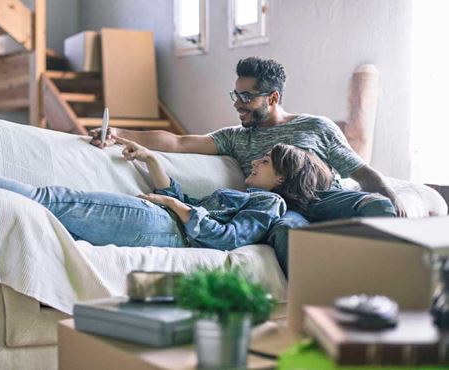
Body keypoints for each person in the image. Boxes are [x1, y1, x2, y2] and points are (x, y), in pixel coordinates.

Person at [89, 57, 404, 274]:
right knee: (286, 236)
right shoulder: (235, 138)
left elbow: (360, 171)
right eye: (235, 94)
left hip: (325, 196)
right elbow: (179, 142)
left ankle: (385, 281)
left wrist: (390, 193)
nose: (237, 103)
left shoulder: (315, 127)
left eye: (246, 96)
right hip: (283, 208)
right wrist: (118, 133)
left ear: (272, 97)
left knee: (378, 206)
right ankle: (314, 308)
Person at [0, 124, 350, 254]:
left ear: (283, 179)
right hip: (161, 218)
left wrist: (173, 204)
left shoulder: (268, 202)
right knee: (49, 207)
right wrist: (151, 159)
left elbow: (225, 238)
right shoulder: (252, 193)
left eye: (266, 162)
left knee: (50, 200)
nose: (255, 162)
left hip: (163, 228)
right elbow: (193, 205)